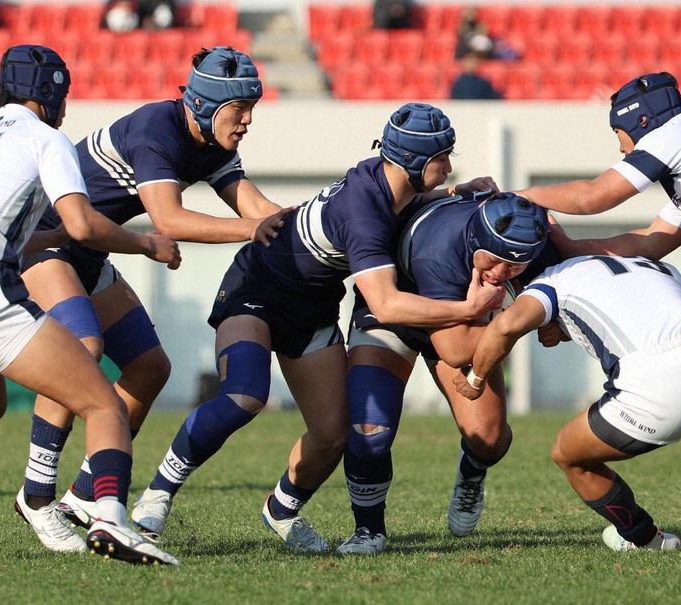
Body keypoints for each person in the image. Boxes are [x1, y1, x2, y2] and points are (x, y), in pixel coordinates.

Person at [129, 102, 506, 552]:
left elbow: (405, 203)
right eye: (441, 158)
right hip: (259, 287)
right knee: (244, 396)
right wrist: (468, 307)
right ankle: (158, 493)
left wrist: (451, 192)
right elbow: (386, 305)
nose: (448, 166)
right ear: (412, 161)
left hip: (312, 307)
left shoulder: (384, 179)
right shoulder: (364, 216)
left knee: (332, 435)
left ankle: (282, 509)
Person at [0, 44, 180, 565]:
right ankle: (110, 521)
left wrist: (49, 236)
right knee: (102, 404)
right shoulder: (46, 138)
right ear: (51, 96)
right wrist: (147, 243)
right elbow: (82, 224)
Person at [14, 46, 291, 553]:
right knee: (82, 347)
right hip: (44, 243)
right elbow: (169, 219)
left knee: (149, 368)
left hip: (89, 253)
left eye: (252, 107)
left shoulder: (212, 143)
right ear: (204, 105)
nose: (248, 120)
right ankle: (36, 492)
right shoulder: (155, 128)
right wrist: (252, 230)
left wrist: (313, 226)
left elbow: (257, 207)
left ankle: (81, 496)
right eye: (240, 108)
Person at [337, 192, 553, 555]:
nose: (500, 273)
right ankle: (368, 529)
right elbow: (454, 349)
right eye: (494, 259)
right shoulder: (440, 249)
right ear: (476, 237)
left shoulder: (532, 241)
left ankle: (471, 473)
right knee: (369, 428)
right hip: (400, 314)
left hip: (467, 318)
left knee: (488, 438)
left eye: (514, 267)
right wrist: (519, 319)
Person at [453, 254, 681, 551]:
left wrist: (476, 378)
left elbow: (506, 326)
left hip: (655, 385)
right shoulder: (655, 265)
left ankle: (646, 539)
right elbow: (645, 313)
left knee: (569, 455)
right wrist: (566, 326)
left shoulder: (552, 280)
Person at [518, 72, 681, 263]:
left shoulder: (672, 134)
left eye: (617, 131)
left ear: (642, 121)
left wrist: (524, 195)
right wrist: (569, 248)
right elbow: (649, 244)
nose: (621, 148)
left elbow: (592, 197)